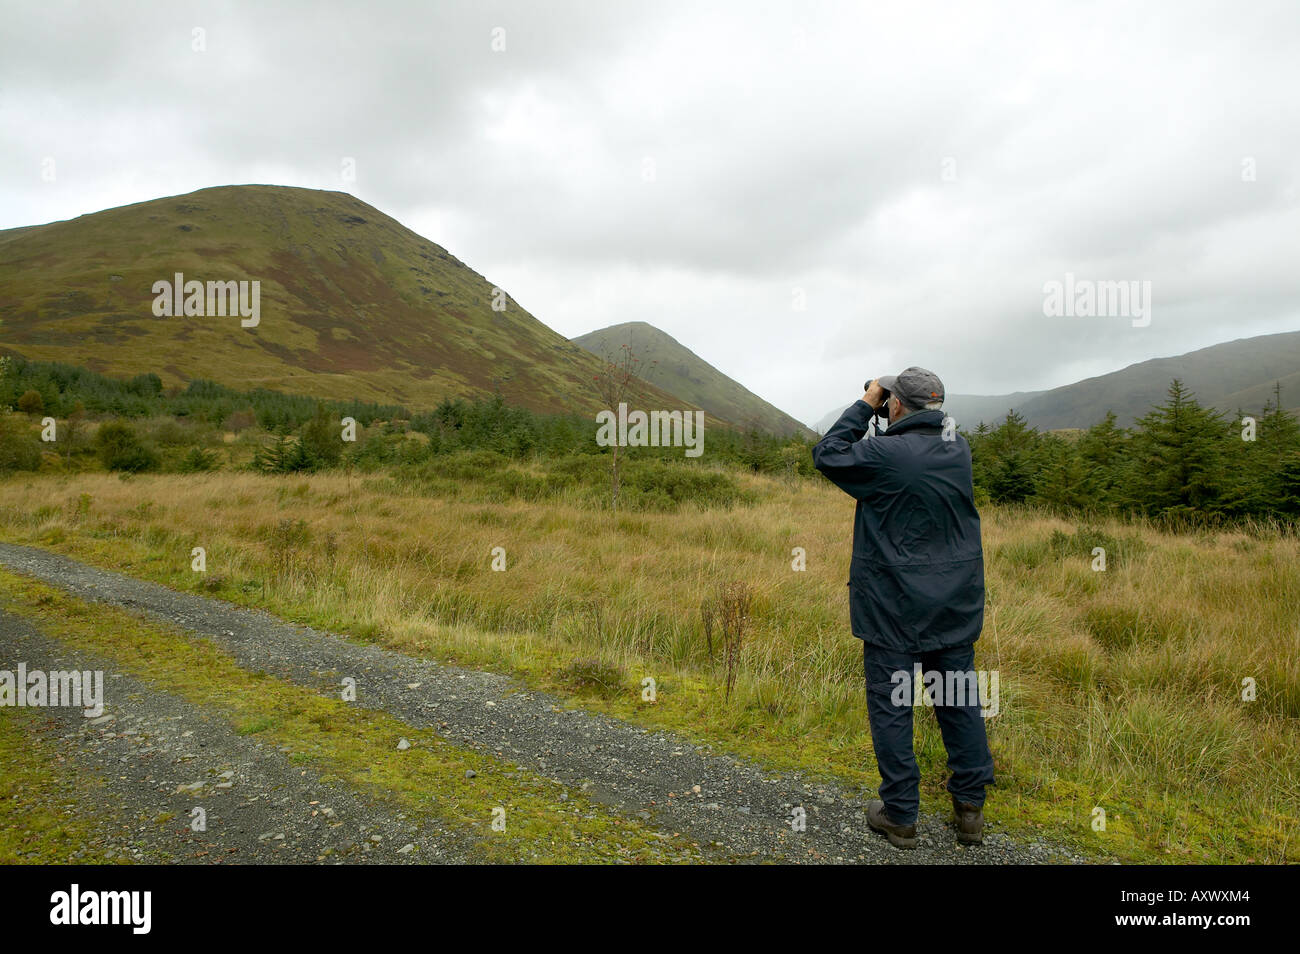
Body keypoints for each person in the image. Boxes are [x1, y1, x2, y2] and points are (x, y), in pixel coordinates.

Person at [812, 367, 994, 849]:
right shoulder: (958, 448)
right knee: (958, 700)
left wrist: (865, 405)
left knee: (893, 705)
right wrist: (885, 409)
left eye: (889, 399)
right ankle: (970, 810)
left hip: (894, 607)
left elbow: (828, 455)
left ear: (896, 405)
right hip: (954, 603)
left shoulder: (884, 453)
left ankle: (900, 815)